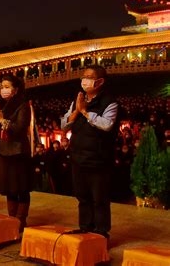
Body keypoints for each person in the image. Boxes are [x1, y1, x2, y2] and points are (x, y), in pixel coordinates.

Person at [61, 65, 119, 240]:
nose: (84, 80)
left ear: (100, 81)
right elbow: (64, 125)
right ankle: (85, 228)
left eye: (89, 77)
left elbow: (106, 125)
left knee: (99, 198)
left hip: (98, 159)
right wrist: (77, 110)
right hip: (78, 157)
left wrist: (85, 112)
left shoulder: (110, 102)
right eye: (83, 76)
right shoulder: (78, 100)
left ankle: (101, 232)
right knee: (82, 197)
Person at [0, 75, 32, 231]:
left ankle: (21, 220)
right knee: (9, 188)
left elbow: (20, 128)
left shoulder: (23, 105)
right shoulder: (1, 104)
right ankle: (11, 218)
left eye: (7, 86)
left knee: (21, 187)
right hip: (4, 150)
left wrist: (2, 121)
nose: (3, 90)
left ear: (15, 89)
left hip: (18, 151)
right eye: (2, 86)